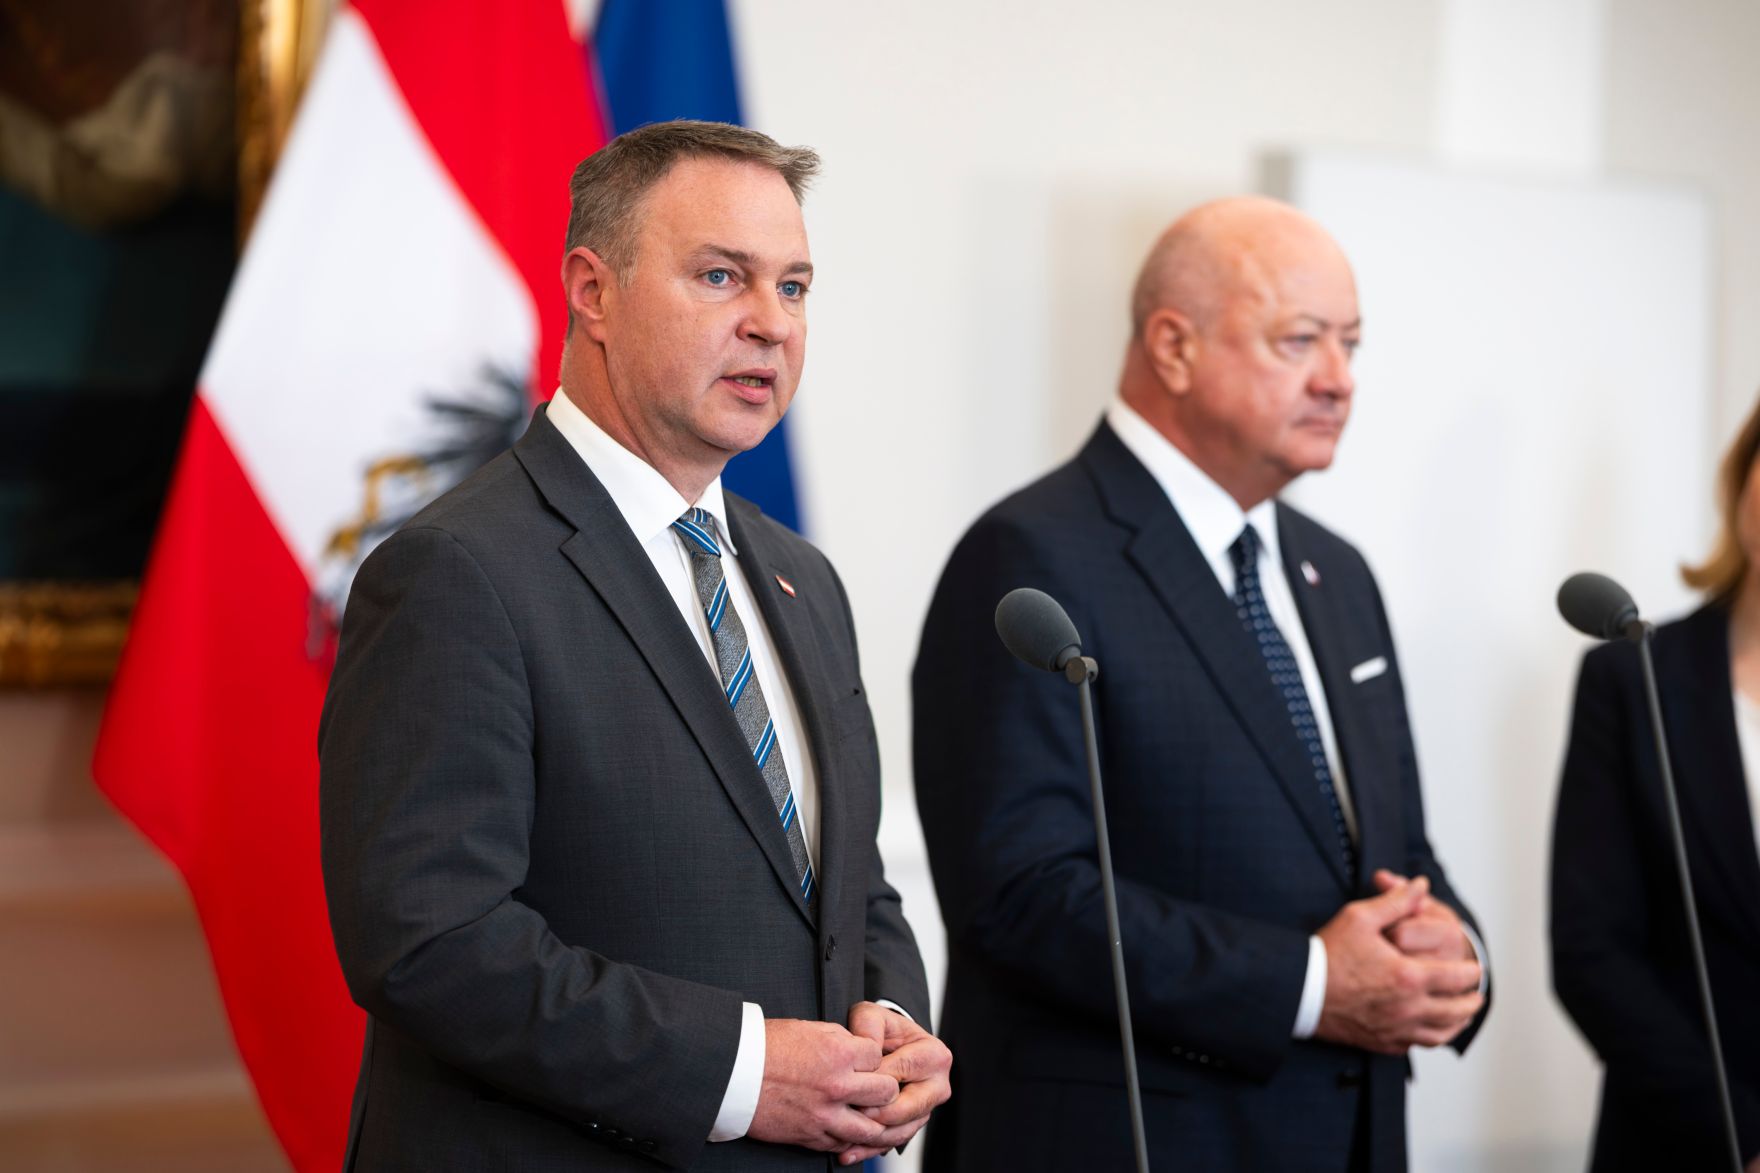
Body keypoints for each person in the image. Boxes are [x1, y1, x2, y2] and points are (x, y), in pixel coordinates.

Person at [319, 120, 949, 1172]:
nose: (770, 323)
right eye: (721, 276)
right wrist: (741, 1073)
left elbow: (850, 885)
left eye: (794, 287)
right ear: (593, 292)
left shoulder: (802, 579)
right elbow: (430, 941)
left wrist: (891, 1024)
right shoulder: (456, 571)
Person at [912, 195, 1488, 1172]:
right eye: (1299, 340)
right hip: (1136, 1142)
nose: (1339, 379)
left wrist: (1453, 952)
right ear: (1172, 347)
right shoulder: (1029, 557)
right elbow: (1020, 895)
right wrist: (1311, 981)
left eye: (1350, 343)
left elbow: (1391, 848)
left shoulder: (1337, 573)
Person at [1552, 395, 1760, 1173]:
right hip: (1681, 1141)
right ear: (1742, 479)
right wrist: (1744, 1136)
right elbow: (1591, 951)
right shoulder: (1633, 677)